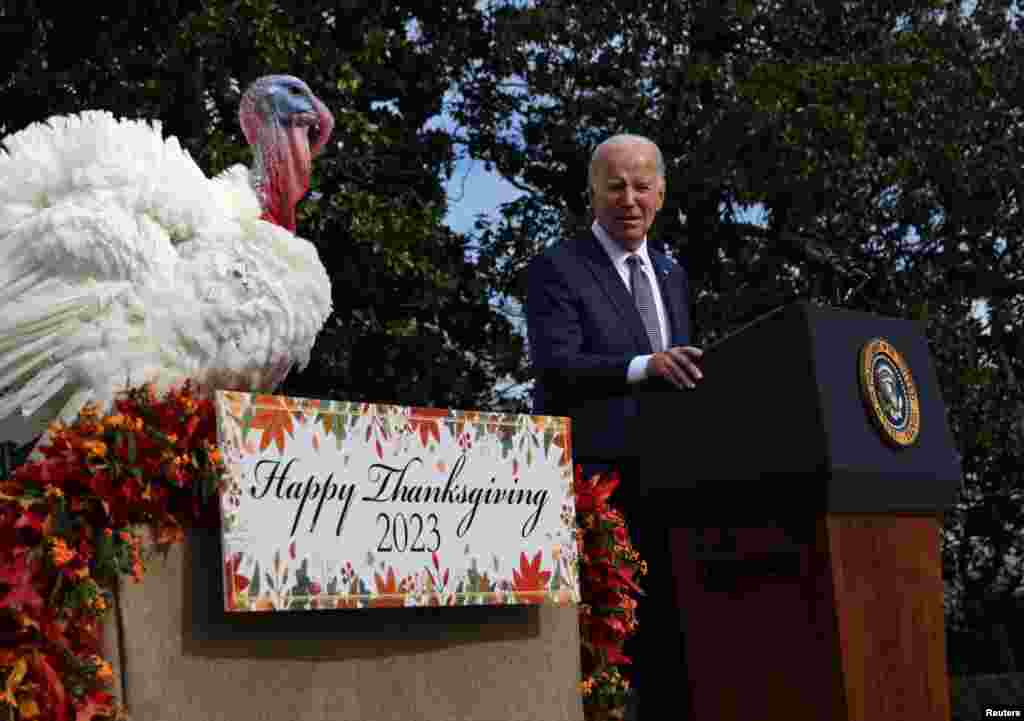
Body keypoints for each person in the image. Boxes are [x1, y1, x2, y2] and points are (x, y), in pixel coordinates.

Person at [525, 134, 703, 719]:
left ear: (661, 193)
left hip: (673, 485)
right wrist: (642, 367)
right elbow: (558, 366)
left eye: (642, 185)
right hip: (595, 487)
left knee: (671, 646)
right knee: (604, 649)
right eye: (616, 185)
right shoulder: (557, 269)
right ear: (593, 192)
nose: (630, 198)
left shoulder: (673, 273)